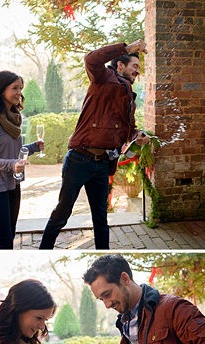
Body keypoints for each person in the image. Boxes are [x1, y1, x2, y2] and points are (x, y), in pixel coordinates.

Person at [40, 40, 151, 250]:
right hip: (79, 159)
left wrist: (138, 135)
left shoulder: (129, 94)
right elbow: (91, 59)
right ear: (120, 65)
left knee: (101, 220)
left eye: (138, 68)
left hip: (102, 163)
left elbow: (127, 130)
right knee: (62, 214)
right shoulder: (103, 77)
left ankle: (104, 256)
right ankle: (43, 251)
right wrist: (128, 48)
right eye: (134, 66)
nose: (138, 71)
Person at [0, 71, 44, 249]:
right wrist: (11, 165)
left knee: (9, 237)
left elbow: (11, 152)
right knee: (3, 240)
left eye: (21, 88)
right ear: (0, 90)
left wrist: (33, 147)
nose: (19, 92)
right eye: (14, 88)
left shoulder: (13, 118)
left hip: (13, 185)